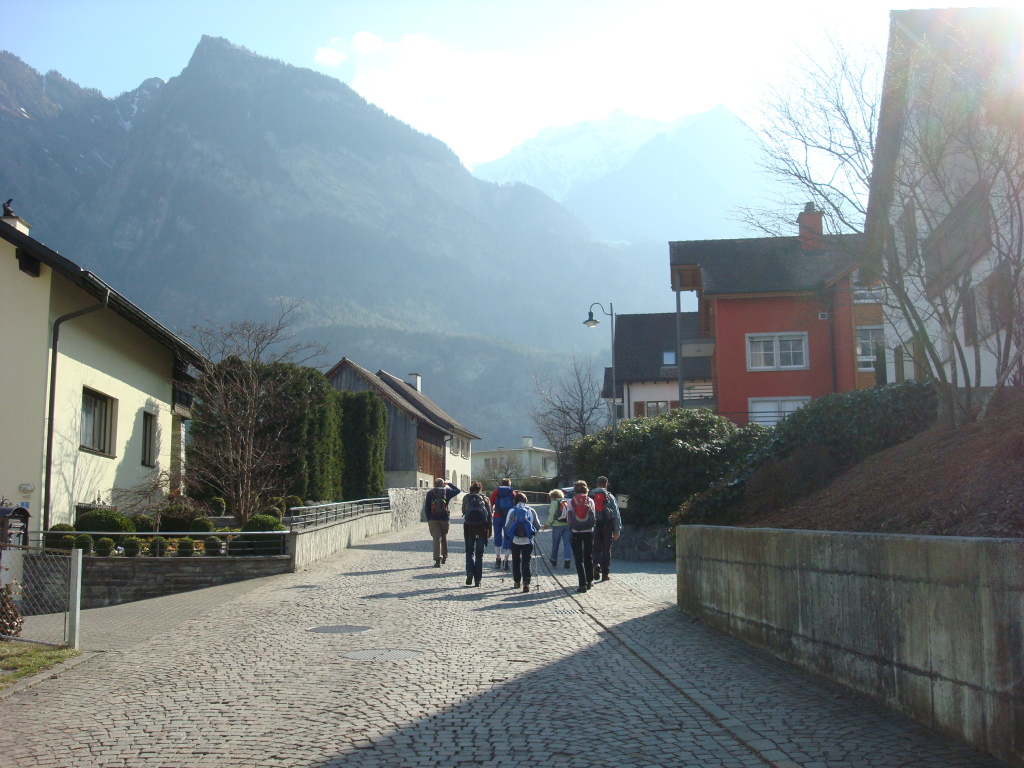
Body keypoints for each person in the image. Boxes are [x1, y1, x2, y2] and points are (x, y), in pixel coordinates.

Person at [503, 492, 541, 593]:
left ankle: (517, 582)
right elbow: (537, 526)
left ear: (515, 501)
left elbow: (507, 526)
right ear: (526, 501)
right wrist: (532, 534)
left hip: (515, 540)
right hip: (527, 541)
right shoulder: (531, 510)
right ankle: (526, 583)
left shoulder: (512, 510)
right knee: (526, 561)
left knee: (515, 561)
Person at [589, 476, 622, 583]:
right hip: (608, 526)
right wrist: (617, 530)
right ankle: (605, 574)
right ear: (606, 484)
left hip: (594, 525)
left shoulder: (590, 495)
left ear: (596, 484)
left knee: (596, 547)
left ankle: (596, 563)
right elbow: (616, 514)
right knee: (607, 549)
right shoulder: (610, 496)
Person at [423, 478, 460, 567]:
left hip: (433, 519)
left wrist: (429, 519)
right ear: (443, 484)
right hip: (444, 518)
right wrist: (449, 483)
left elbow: (427, 507)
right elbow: (458, 490)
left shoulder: (430, 493)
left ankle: (437, 559)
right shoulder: (447, 491)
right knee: (444, 537)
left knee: (436, 538)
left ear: (435, 484)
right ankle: (444, 557)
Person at [567, 480, 596, 593]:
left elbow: (568, 517)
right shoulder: (590, 501)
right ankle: (590, 580)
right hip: (589, 530)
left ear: (575, 490)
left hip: (576, 531)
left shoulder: (571, 501)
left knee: (579, 559)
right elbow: (594, 516)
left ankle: (582, 584)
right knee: (588, 556)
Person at [460, 481, 492, 587]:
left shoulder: (466, 498)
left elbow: (463, 511)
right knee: (479, 555)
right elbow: (489, 516)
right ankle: (478, 580)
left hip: (469, 528)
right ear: (480, 489)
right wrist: (489, 531)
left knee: (469, 552)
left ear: (471, 489)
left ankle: (469, 573)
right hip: (481, 529)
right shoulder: (485, 498)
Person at [489, 479, 516, 570]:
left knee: (497, 536)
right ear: (509, 484)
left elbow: (490, 503)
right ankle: (506, 560)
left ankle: (498, 559)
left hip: (497, 515)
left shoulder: (496, 491)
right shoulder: (513, 492)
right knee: (508, 537)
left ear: (501, 484)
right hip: (509, 517)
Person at [544, 488, 572, 569]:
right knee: (567, 543)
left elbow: (552, 514)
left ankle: (553, 559)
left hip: (557, 525)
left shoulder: (554, 502)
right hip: (567, 525)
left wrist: (547, 524)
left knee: (556, 543)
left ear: (553, 496)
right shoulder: (566, 501)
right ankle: (567, 559)